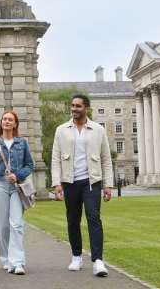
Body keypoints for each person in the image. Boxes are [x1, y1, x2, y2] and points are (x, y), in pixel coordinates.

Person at [51, 93, 114, 277]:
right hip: (70, 181)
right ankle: (76, 256)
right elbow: (55, 158)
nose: (74, 109)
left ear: (86, 108)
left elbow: (106, 159)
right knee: (73, 220)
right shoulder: (61, 130)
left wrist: (108, 185)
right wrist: (57, 183)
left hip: (91, 180)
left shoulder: (97, 130)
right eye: (72, 105)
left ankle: (98, 261)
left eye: (78, 106)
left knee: (94, 218)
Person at [0, 110, 34, 276]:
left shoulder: (22, 143)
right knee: (2, 226)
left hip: (17, 186)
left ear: (15, 124)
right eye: (4, 119)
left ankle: (17, 261)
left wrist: (17, 175)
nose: (6, 121)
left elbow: (29, 165)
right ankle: (6, 258)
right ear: (1, 123)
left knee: (17, 224)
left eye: (10, 119)